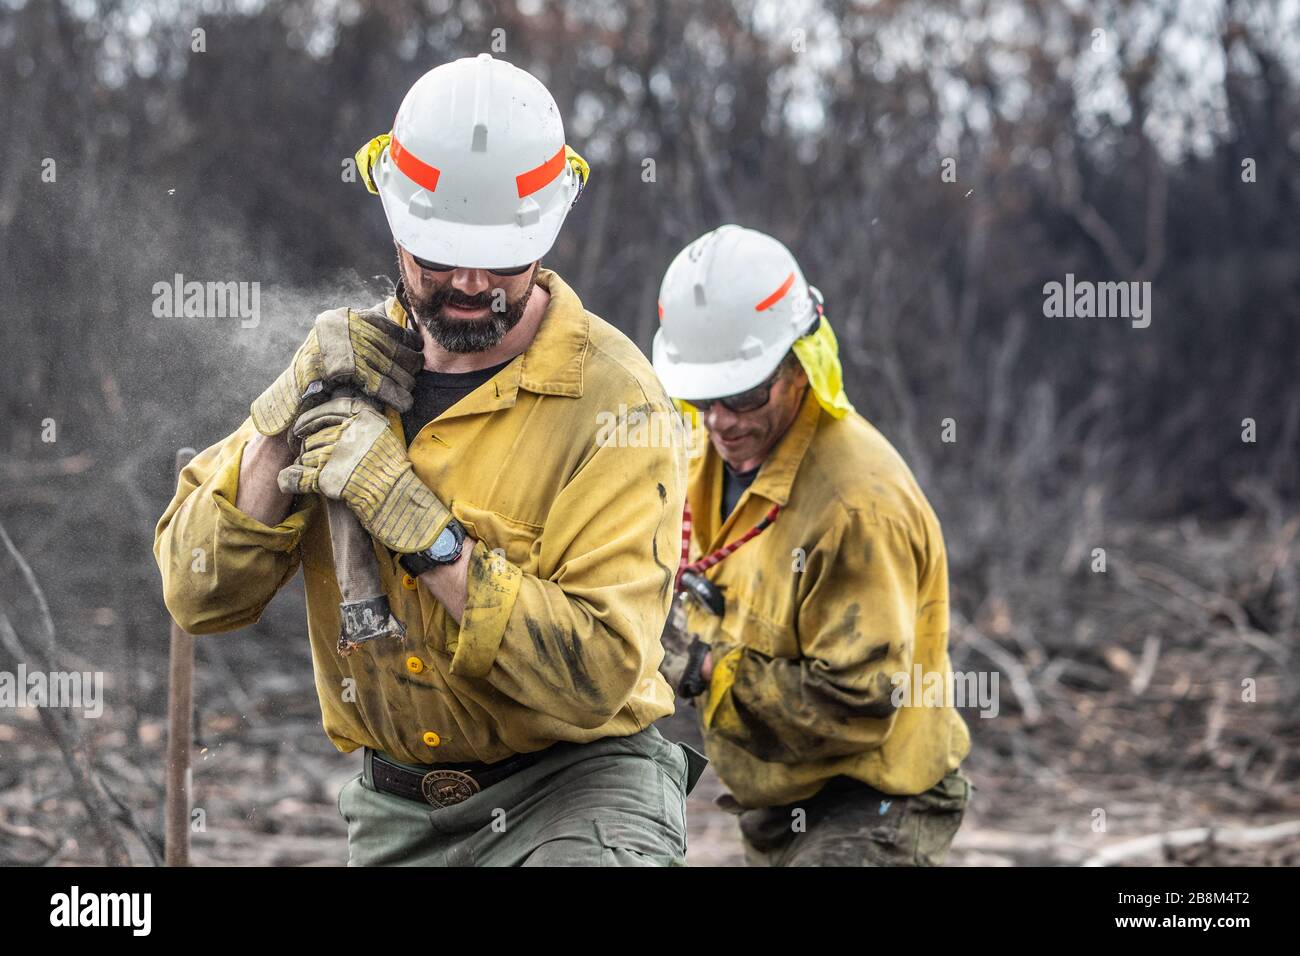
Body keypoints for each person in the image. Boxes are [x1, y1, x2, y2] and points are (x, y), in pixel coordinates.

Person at [154, 54, 703, 867]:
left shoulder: (618, 406)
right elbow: (197, 593)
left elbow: (596, 674)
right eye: (440, 256)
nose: (473, 283)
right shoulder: (340, 373)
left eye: (504, 261)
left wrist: (422, 531)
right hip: (396, 811)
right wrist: (283, 415)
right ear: (396, 223)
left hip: (578, 792)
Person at [653, 225, 970, 866]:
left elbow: (862, 702)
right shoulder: (698, 458)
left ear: (801, 366)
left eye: (742, 395)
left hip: (877, 798)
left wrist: (704, 667)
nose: (721, 422)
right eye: (702, 397)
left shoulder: (856, 507)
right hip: (773, 798)